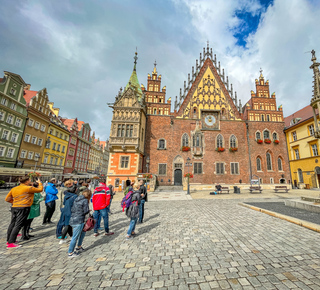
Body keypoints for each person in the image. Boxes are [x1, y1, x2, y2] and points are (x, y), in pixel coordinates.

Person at [5, 176, 43, 248]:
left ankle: (8, 240)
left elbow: (7, 199)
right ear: (26, 182)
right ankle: (11, 242)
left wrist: (15, 202)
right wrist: (39, 183)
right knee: (18, 224)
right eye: (29, 180)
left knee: (12, 223)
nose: (30, 181)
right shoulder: (28, 188)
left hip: (15, 207)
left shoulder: (14, 188)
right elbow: (40, 189)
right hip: (23, 207)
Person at [68, 189, 92, 258]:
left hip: (73, 219)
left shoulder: (76, 199)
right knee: (75, 237)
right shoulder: (85, 201)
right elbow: (85, 211)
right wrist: (88, 210)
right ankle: (70, 252)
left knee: (83, 233)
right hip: (79, 220)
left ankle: (79, 246)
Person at [58, 180, 78, 244]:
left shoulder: (67, 195)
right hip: (70, 211)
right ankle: (62, 239)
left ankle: (71, 236)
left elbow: (64, 202)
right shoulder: (74, 196)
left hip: (65, 210)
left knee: (68, 224)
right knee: (67, 225)